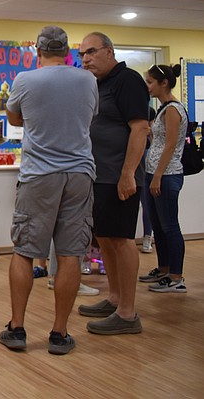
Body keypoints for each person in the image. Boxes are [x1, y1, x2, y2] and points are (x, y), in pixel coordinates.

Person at [1, 26, 98, 355]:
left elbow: (15, 119)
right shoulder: (87, 79)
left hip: (39, 175)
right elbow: (89, 117)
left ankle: (17, 329)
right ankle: (59, 333)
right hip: (80, 174)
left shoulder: (25, 80)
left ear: (37, 51)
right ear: (68, 51)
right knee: (71, 253)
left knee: (26, 250)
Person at [76, 32, 149, 336]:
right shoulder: (98, 84)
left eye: (91, 52)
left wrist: (128, 173)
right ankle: (116, 298)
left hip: (120, 176)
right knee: (105, 238)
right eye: (82, 55)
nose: (86, 59)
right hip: (100, 174)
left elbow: (141, 128)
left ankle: (128, 314)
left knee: (121, 240)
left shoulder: (127, 80)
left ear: (109, 51)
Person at [138, 64, 187, 293]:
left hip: (166, 176)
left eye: (150, 82)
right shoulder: (162, 108)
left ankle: (176, 277)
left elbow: (170, 145)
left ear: (163, 83)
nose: (147, 86)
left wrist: (157, 176)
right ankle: (164, 268)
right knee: (158, 225)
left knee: (170, 226)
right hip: (154, 174)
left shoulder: (172, 109)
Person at [139, 106, 158, 254]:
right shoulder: (123, 107)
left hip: (145, 154)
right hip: (126, 154)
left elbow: (152, 135)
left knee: (146, 200)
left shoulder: (150, 110)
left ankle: (147, 236)